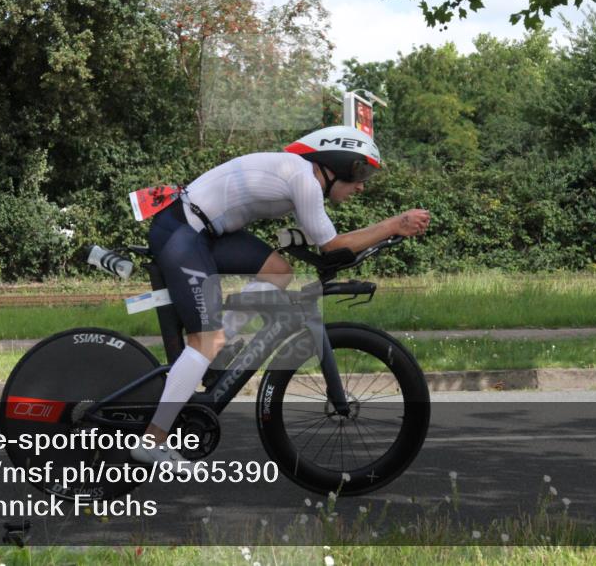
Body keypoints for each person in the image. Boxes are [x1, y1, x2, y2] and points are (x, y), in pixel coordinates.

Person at [129, 126, 431, 466]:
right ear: (336, 164)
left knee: (278, 271)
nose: (361, 185)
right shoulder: (304, 179)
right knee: (205, 340)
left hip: (206, 231)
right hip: (182, 231)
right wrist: (395, 224)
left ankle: (218, 351)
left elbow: (315, 241)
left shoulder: (301, 176)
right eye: (360, 172)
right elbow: (332, 245)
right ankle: (153, 438)